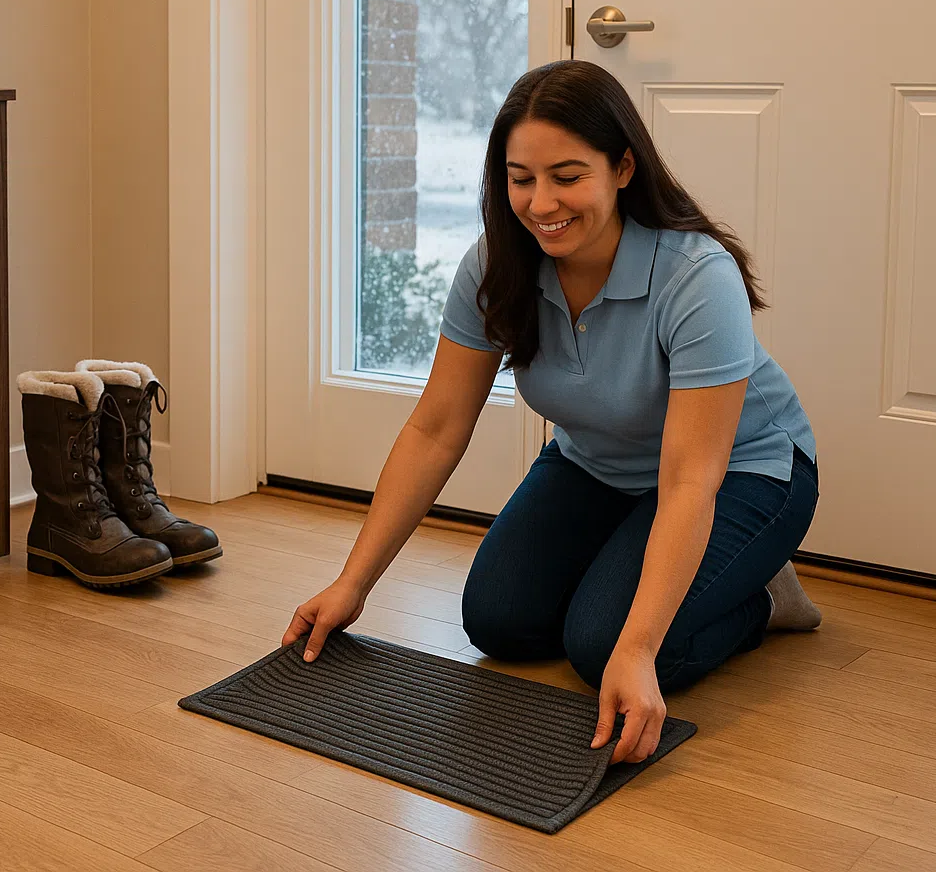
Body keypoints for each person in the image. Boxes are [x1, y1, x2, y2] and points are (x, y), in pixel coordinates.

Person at [281, 59, 822, 768]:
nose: (541, 204)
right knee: (499, 619)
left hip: (744, 475)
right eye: (520, 177)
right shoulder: (497, 265)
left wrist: (635, 648)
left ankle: (760, 595)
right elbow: (436, 428)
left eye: (568, 177)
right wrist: (353, 584)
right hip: (597, 463)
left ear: (623, 168)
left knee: (603, 650)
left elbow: (692, 479)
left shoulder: (697, 277)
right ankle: (634, 570)